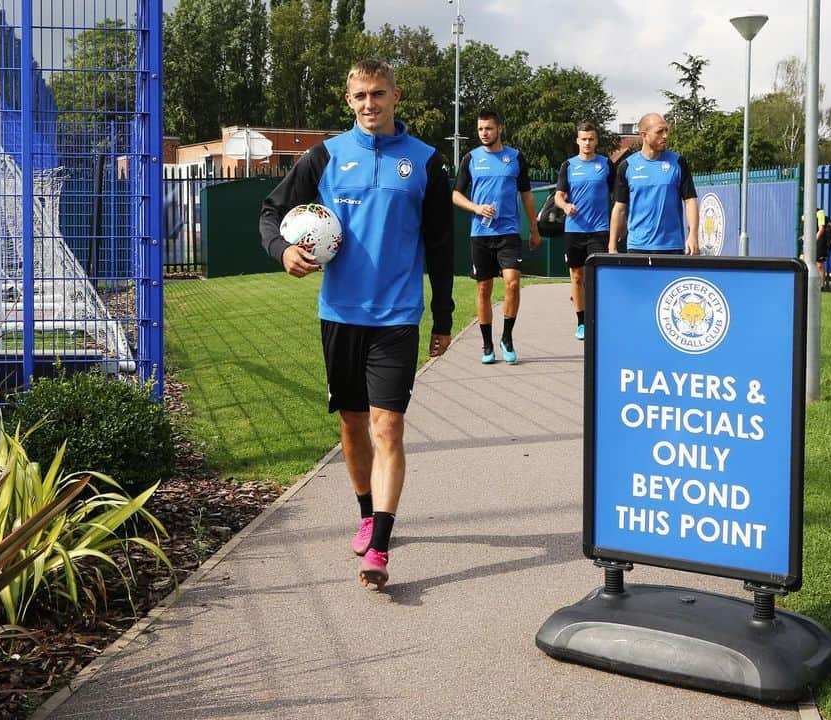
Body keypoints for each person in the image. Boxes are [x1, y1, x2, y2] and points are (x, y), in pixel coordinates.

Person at [259, 59, 454, 591]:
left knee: (387, 425)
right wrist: (283, 252)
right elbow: (271, 212)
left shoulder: (427, 162)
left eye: (379, 94)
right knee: (351, 425)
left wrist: (443, 316)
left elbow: (440, 246)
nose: (370, 104)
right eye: (361, 96)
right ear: (349, 101)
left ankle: (382, 547)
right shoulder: (325, 155)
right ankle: (366, 512)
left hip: (397, 317)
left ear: (396, 95)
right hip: (339, 315)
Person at [452, 110, 542, 365]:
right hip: (481, 234)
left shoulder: (515, 158)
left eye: (489, 129)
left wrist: (534, 229)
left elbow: (526, 195)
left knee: (512, 282)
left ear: (499, 129)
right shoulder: (471, 158)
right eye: (480, 129)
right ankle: (487, 344)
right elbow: (455, 195)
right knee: (484, 288)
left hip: (509, 233)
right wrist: (476, 208)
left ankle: (507, 338)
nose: (484, 133)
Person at [554, 122, 615, 340]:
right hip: (574, 230)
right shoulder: (568, 166)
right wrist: (565, 206)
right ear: (577, 141)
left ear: (596, 141)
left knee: (597, 276)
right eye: (583, 139)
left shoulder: (606, 164)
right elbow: (558, 195)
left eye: (591, 139)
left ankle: (598, 318)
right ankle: (581, 322)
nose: (587, 143)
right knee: (577, 276)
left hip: (600, 230)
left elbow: (618, 196)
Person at [609, 113, 699, 255]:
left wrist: (693, 235)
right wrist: (612, 246)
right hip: (638, 247)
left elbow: (690, 201)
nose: (665, 136)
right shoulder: (627, 166)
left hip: (672, 246)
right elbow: (620, 208)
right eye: (659, 132)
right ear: (644, 135)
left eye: (666, 131)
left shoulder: (678, 163)